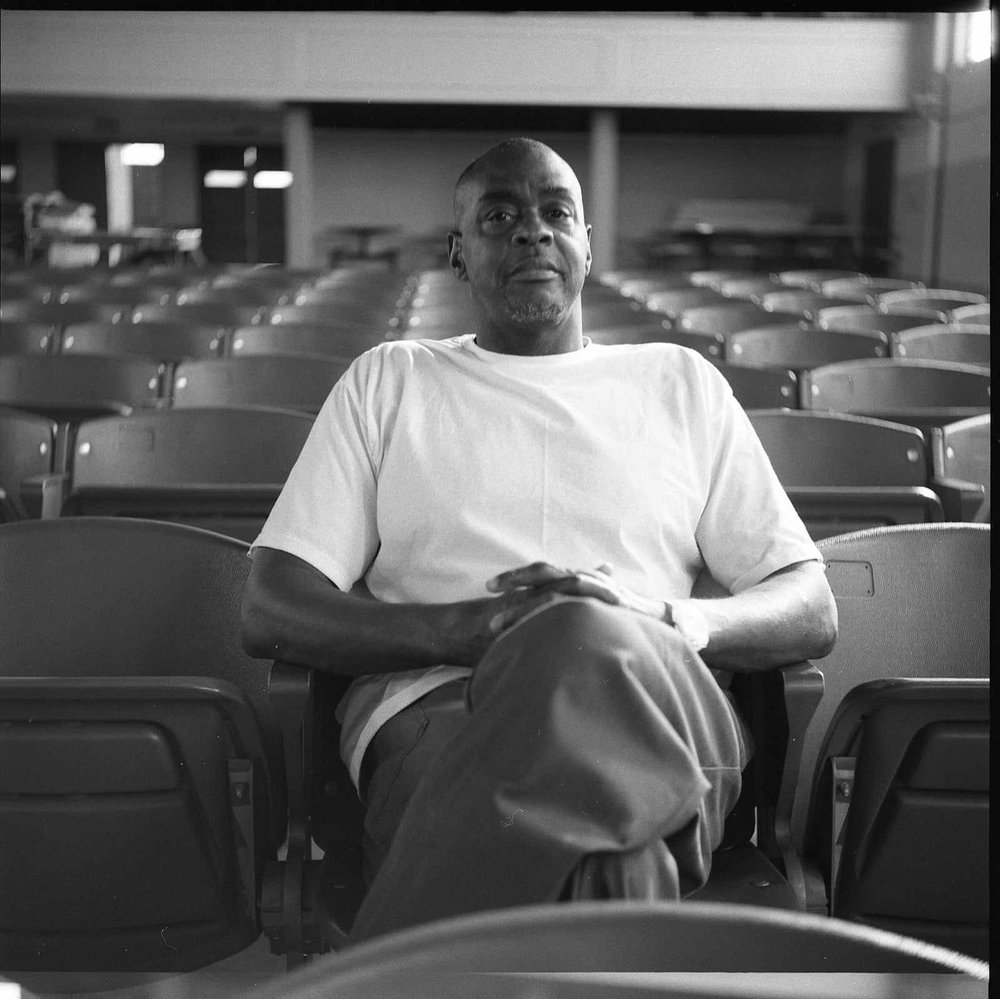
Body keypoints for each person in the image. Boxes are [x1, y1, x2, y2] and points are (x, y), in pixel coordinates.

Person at [240, 137, 837, 942]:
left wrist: (664, 619)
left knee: (581, 630)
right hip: (441, 708)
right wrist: (465, 632)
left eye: (556, 212)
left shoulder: (679, 382)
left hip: (657, 697)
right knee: (613, 866)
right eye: (499, 216)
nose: (532, 232)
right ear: (458, 253)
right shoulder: (391, 380)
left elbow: (808, 604)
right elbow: (270, 603)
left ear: (589, 243)